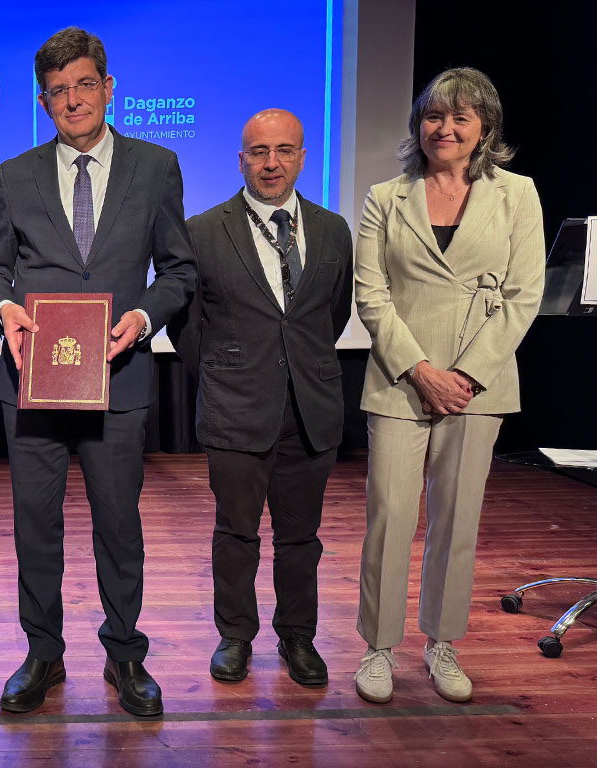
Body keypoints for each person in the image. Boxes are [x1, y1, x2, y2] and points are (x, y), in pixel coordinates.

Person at [0, 26, 196, 717]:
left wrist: (144, 318)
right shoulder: (14, 174)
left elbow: (179, 270)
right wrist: (5, 310)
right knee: (35, 527)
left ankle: (125, 653)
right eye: (58, 91)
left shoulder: (156, 166)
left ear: (109, 88)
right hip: (33, 383)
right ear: (43, 102)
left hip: (118, 378)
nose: (73, 100)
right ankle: (43, 653)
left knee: (119, 526)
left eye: (84, 85)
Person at [352, 67, 543, 704]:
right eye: (435, 115)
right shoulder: (386, 196)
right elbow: (371, 295)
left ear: (484, 128)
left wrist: (463, 376)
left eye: (461, 117)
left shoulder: (517, 194)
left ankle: (442, 643)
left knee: (457, 520)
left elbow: (524, 295)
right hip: (400, 379)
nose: (445, 128)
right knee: (389, 518)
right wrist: (421, 370)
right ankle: (379, 648)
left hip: (477, 385)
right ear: (419, 124)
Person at [168, 109, 353, 688]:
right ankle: (235, 636)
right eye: (259, 152)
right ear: (241, 160)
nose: (271, 163)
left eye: (284, 151)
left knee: (301, 537)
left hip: (310, 408)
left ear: (302, 158)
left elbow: (332, 314)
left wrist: (298, 367)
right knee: (236, 533)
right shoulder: (202, 231)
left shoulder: (332, 230)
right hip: (236, 407)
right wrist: (227, 372)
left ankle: (298, 637)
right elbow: (185, 325)